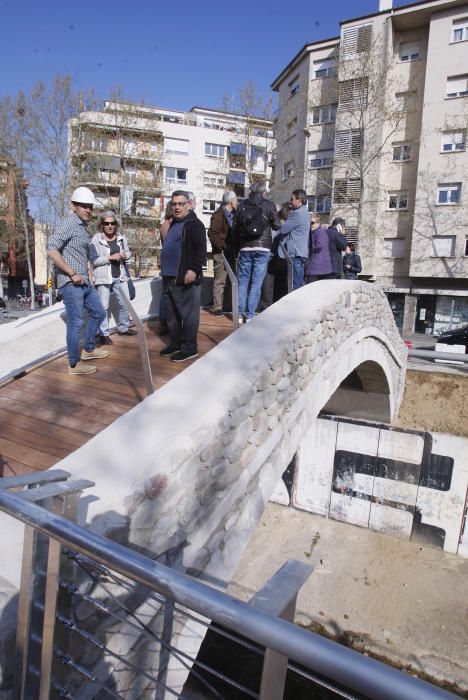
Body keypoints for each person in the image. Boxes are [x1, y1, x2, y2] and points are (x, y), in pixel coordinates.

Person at [46, 187, 109, 375]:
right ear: (74, 206)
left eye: (90, 207)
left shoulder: (82, 227)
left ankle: (89, 349)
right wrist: (72, 273)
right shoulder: (69, 223)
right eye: (84, 206)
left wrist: (90, 272)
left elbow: (86, 256)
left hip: (85, 283)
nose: (88, 210)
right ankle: (74, 364)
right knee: (75, 322)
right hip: (71, 282)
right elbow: (51, 249)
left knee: (98, 313)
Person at [159, 190, 207, 362]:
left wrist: (194, 269)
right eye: (174, 204)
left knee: (188, 316)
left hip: (185, 277)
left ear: (189, 204)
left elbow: (201, 250)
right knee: (172, 315)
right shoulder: (174, 223)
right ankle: (175, 343)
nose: (177, 207)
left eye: (181, 204)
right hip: (168, 277)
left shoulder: (195, 224)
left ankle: (189, 348)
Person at [234, 182, 280, 323]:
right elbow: (277, 224)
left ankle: (239, 314)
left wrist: (237, 248)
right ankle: (250, 315)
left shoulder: (242, 205)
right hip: (263, 247)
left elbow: (235, 227)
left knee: (242, 282)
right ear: (263, 193)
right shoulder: (269, 204)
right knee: (256, 282)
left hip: (245, 247)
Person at [90, 211, 137, 345]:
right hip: (104, 278)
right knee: (103, 307)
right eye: (106, 223)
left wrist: (125, 255)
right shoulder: (96, 239)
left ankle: (123, 327)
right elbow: (94, 260)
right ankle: (103, 334)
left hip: (120, 276)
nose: (110, 226)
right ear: (102, 225)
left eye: (113, 223)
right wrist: (110, 257)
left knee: (125, 302)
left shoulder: (121, 237)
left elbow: (128, 252)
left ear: (116, 224)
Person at [207, 190, 237, 316]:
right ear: (231, 202)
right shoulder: (218, 215)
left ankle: (227, 305)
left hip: (231, 253)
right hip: (221, 253)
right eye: (236, 200)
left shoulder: (234, 215)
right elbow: (212, 234)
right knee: (220, 280)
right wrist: (222, 248)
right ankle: (217, 307)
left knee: (231, 280)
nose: (237, 202)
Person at [275, 189, 310, 290]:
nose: (290, 202)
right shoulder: (305, 212)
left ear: (299, 200)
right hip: (301, 252)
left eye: (292, 199)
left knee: (295, 286)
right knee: (299, 283)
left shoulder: (297, 213)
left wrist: (280, 222)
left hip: (295, 253)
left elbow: (283, 229)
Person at [305, 214, 335, 282]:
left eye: (312, 223)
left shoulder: (320, 232)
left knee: (311, 287)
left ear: (318, 223)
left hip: (318, 267)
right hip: (318, 267)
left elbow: (320, 245)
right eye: (309, 223)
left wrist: (308, 247)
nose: (310, 225)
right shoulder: (314, 232)